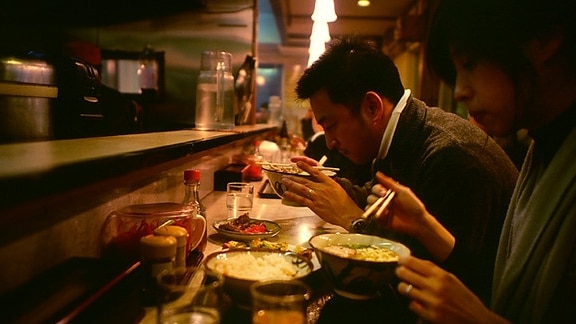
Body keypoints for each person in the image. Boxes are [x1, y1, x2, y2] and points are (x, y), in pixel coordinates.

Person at [368, 0, 576, 322]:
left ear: (546, 38)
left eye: (471, 63)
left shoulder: (457, 152)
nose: (461, 91)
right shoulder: (543, 150)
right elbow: (502, 286)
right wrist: (425, 226)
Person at [281, 36, 519, 305]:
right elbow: (379, 207)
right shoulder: (401, 136)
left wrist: (353, 220)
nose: (329, 142)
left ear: (372, 108)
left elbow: (439, 281)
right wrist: (326, 186)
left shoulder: (452, 157)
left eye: (331, 125)